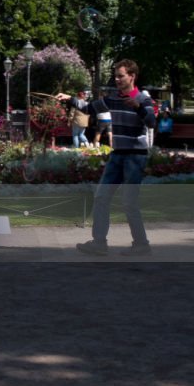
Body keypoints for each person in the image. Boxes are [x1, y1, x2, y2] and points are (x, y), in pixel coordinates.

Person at [57, 60, 157, 256]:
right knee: (101, 196)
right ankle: (99, 243)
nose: (117, 79)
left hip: (135, 157)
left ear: (132, 76)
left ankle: (141, 243)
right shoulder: (113, 99)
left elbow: (152, 122)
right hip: (117, 155)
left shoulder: (143, 98)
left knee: (129, 202)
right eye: (116, 76)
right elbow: (88, 108)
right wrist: (69, 98)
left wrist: (137, 107)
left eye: (121, 76)